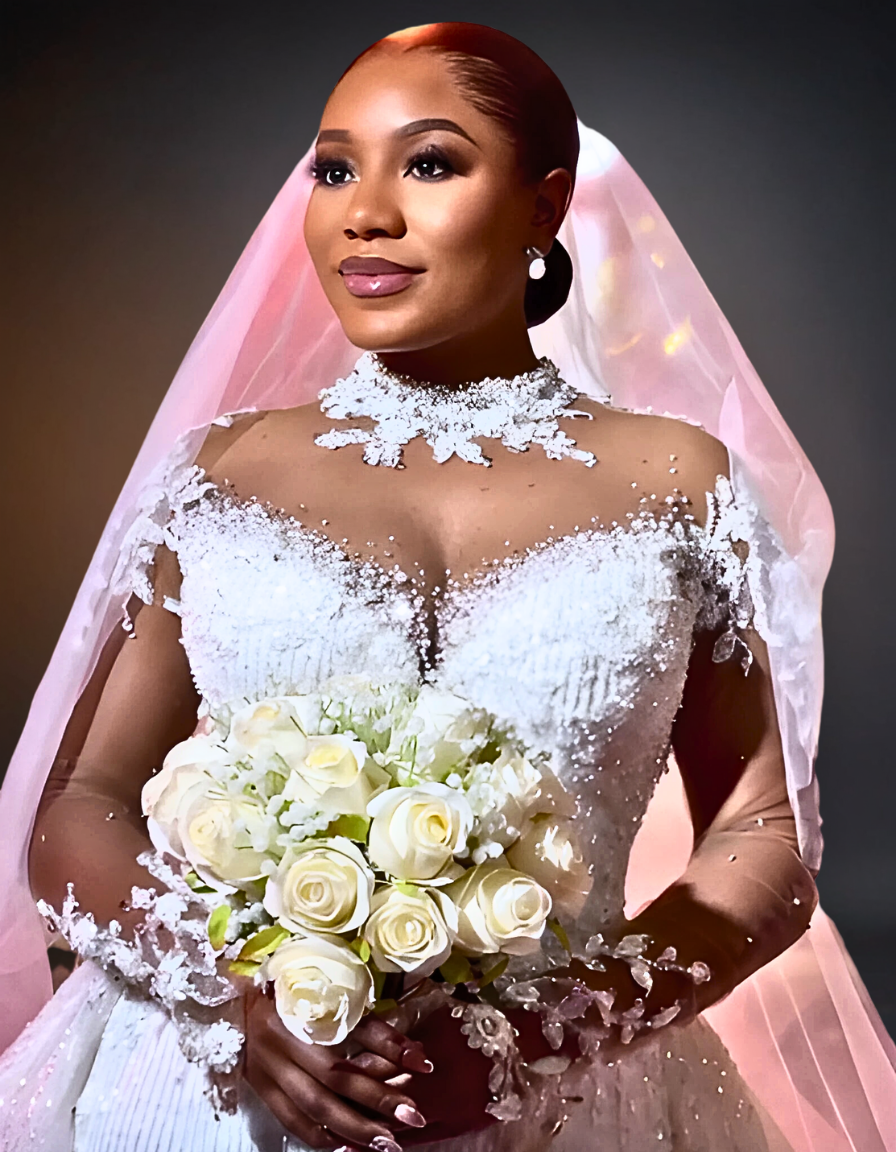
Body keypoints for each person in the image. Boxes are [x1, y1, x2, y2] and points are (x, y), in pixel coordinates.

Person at [0, 21, 893, 1152]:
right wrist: (237, 989)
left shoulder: (679, 481)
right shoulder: (221, 475)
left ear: (542, 204)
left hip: (566, 1105)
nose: (363, 211)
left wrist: (557, 1027)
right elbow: (80, 807)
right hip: (215, 1097)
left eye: (428, 162)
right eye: (333, 169)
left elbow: (758, 834)